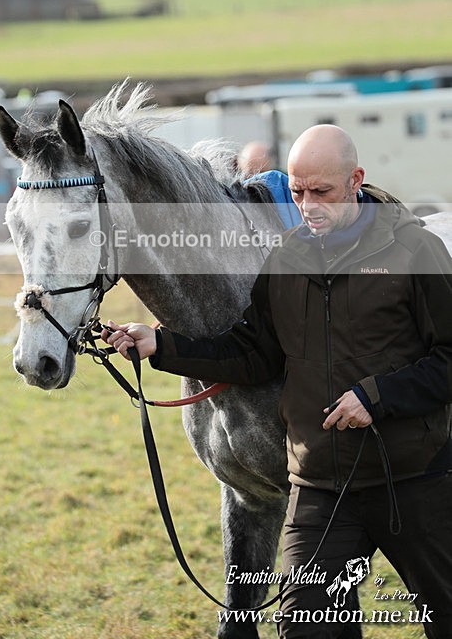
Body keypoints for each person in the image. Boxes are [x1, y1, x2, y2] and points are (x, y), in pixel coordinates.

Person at [103, 125, 452, 638]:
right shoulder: (286, 259)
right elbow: (254, 356)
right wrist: (162, 346)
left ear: (356, 180)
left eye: (322, 192)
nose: (307, 205)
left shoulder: (416, 252)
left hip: (414, 477)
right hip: (322, 487)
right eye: (296, 192)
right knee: (307, 629)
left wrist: (376, 398)